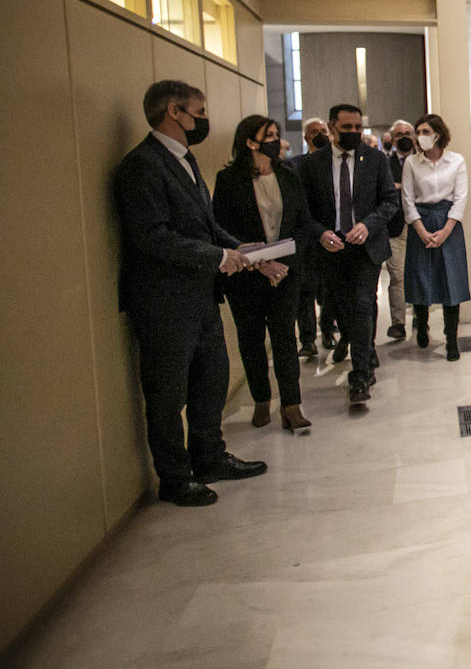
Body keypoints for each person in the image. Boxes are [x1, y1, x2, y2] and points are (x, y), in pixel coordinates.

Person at [114, 80, 267, 506]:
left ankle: (210, 457)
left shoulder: (185, 160)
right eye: (198, 111)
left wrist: (237, 248)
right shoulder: (142, 166)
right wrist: (218, 256)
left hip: (200, 295)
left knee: (211, 380)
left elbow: (203, 222)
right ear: (173, 112)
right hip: (163, 301)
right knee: (167, 394)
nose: (203, 119)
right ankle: (176, 478)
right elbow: (153, 236)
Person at [212, 115, 312, 431]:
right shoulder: (229, 180)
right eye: (267, 134)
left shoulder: (289, 176)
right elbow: (222, 229)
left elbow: (302, 224)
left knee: (285, 337)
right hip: (246, 275)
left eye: (275, 134)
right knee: (251, 339)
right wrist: (259, 262)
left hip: (285, 272)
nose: (273, 138)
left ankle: (292, 404)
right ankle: (260, 399)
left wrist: (283, 265)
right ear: (249, 141)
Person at [298, 103, 399, 406]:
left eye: (358, 128)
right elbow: (303, 211)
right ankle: (364, 353)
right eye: (347, 128)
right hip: (332, 248)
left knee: (362, 304)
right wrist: (320, 233)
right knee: (343, 309)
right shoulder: (311, 164)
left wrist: (368, 225)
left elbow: (390, 201)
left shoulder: (376, 160)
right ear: (331, 127)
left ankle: (359, 374)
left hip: (365, 247)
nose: (354, 133)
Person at [402, 113, 471, 360]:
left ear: (438, 134)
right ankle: (422, 326)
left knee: (451, 280)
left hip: (448, 223)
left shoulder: (456, 161)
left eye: (425, 132)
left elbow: (461, 197)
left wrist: (445, 231)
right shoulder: (411, 163)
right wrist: (421, 231)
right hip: (420, 222)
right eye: (418, 132)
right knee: (421, 279)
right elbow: (407, 200)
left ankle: (451, 339)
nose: (420, 137)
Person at [290, 116, 335, 357]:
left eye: (323, 130)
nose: (319, 134)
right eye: (314, 131)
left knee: (327, 289)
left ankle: (327, 331)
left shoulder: (335, 163)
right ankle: (307, 340)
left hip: (329, 234)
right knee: (305, 290)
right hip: (305, 237)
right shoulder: (295, 165)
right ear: (306, 137)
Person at [384, 118, 418, 340]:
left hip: (421, 225)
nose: (404, 137)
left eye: (408, 133)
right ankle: (398, 323)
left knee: (420, 272)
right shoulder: (384, 164)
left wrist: (400, 187)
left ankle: (420, 315)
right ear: (392, 140)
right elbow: (385, 191)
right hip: (394, 226)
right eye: (399, 134)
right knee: (397, 275)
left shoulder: (423, 162)